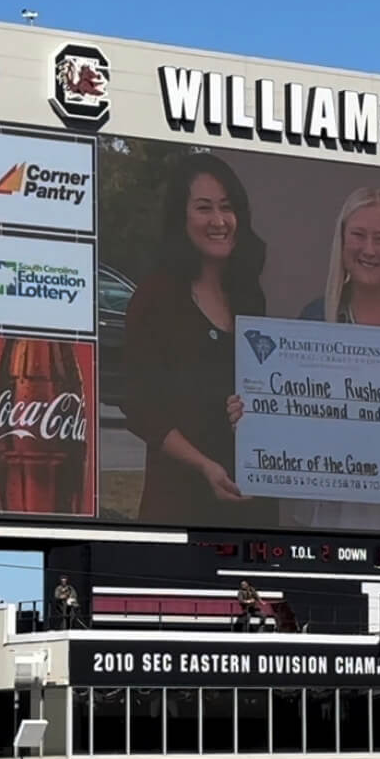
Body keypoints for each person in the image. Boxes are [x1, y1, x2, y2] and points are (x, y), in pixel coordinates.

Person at [227, 187, 380, 534]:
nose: (369, 250)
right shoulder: (316, 320)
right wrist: (253, 416)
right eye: (358, 235)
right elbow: (288, 419)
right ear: (342, 241)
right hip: (333, 516)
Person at [122, 152, 273, 529]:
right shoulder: (155, 298)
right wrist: (205, 466)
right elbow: (142, 408)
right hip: (180, 504)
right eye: (204, 208)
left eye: (227, 207)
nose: (219, 221)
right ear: (181, 217)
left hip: (251, 505)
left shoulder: (250, 296)